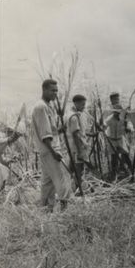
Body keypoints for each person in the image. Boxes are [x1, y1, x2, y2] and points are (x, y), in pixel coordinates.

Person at [31, 79, 72, 212]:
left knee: (47, 182)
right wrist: (54, 152)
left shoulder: (46, 107)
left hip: (47, 150)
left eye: (56, 91)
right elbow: (45, 134)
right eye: (52, 90)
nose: (55, 93)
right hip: (51, 150)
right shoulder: (41, 107)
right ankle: (64, 210)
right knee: (62, 178)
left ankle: (45, 210)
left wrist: (60, 130)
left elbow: (51, 131)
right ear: (44, 90)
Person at [67, 94, 90, 190]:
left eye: (84, 104)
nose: (84, 107)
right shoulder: (74, 117)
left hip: (72, 146)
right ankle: (78, 188)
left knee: (72, 168)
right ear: (76, 103)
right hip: (77, 146)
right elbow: (75, 135)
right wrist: (80, 151)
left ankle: (71, 187)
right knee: (79, 168)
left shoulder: (71, 114)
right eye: (82, 104)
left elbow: (78, 132)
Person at [104, 106, 132, 179]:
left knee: (126, 155)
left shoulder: (123, 119)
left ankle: (131, 171)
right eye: (116, 113)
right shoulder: (109, 119)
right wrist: (101, 126)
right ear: (114, 112)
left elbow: (129, 126)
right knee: (114, 158)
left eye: (119, 113)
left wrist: (128, 128)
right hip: (112, 140)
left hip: (120, 140)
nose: (117, 114)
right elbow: (104, 126)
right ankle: (114, 174)